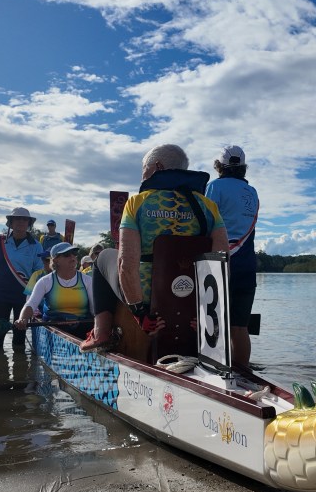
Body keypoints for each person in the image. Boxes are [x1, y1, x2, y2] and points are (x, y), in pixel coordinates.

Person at [80, 144, 229, 352]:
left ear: (157, 166)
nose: (142, 177)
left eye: (144, 170)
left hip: (149, 296)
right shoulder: (208, 206)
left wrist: (140, 313)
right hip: (192, 296)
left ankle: (100, 332)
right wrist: (207, 311)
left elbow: (126, 264)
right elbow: (221, 260)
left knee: (103, 257)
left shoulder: (137, 203)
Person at [205, 145, 260, 368]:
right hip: (247, 264)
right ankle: (243, 373)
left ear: (219, 166)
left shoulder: (214, 187)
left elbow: (206, 223)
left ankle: (215, 369)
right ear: (243, 167)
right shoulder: (253, 192)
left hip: (220, 262)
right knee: (239, 326)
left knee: (214, 322)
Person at [0, 207, 44, 349]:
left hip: (23, 296)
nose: (21, 222)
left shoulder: (36, 246)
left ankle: (19, 367)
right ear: (11, 222)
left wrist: (36, 299)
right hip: (0, 294)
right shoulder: (0, 242)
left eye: (24, 219)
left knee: (19, 335)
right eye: (17, 219)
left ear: (29, 223)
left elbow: (38, 274)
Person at [15, 242, 94, 337]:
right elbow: (31, 304)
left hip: (82, 324)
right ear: (56, 260)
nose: (72, 258)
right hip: (55, 324)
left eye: (74, 254)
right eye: (67, 255)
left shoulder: (87, 280)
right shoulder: (45, 281)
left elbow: (95, 309)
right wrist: (22, 319)